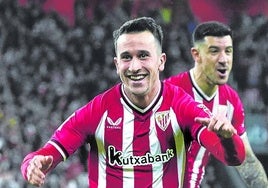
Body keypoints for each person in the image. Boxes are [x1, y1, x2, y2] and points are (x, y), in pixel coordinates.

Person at [21, 17, 245, 188]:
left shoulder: (182, 105)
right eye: (127, 57)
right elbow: (46, 153)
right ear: (117, 64)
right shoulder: (97, 111)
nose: (135, 66)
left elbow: (233, 157)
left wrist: (227, 138)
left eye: (143, 55)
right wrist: (32, 165)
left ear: (161, 61)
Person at [165, 21, 268, 188]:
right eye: (214, 51)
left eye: (228, 51)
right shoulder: (169, 93)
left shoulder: (231, 101)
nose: (223, 59)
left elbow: (248, 163)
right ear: (196, 55)